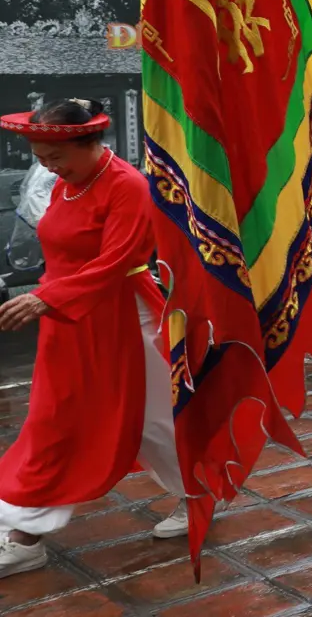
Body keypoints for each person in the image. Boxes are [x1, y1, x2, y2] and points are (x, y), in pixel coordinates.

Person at [0, 100, 191, 578]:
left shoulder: (127, 185)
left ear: (89, 143)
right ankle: (25, 532)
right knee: (57, 417)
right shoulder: (62, 184)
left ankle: (198, 495)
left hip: (121, 315)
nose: (48, 166)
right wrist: (51, 296)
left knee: (151, 419)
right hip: (68, 315)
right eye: (41, 157)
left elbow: (118, 258)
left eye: (56, 156)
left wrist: (49, 297)